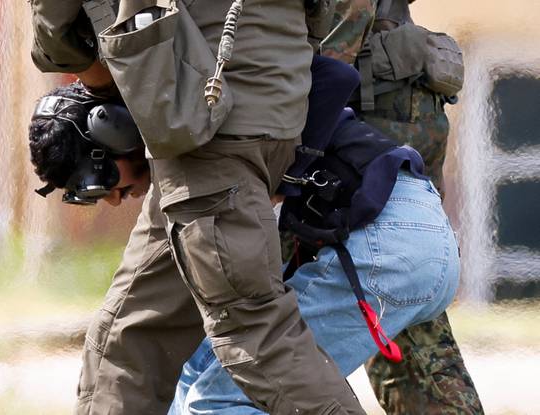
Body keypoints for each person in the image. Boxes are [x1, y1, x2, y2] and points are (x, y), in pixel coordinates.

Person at [29, 1, 365, 413]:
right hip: (273, 104)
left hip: (203, 121)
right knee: (127, 335)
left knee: (254, 333)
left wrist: (109, 86)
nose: (115, 199)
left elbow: (56, 18)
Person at [167, 46, 460, 414]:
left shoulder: (214, 103)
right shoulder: (243, 78)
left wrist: (286, 174)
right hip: (414, 227)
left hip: (385, 243)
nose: (117, 200)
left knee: (223, 398)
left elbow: (339, 75)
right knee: (199, 367)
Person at [321, 0, 485, 413]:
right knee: (403, 326)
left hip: (363, 150)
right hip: (385, 141)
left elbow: (324, 68)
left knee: (277, 324)